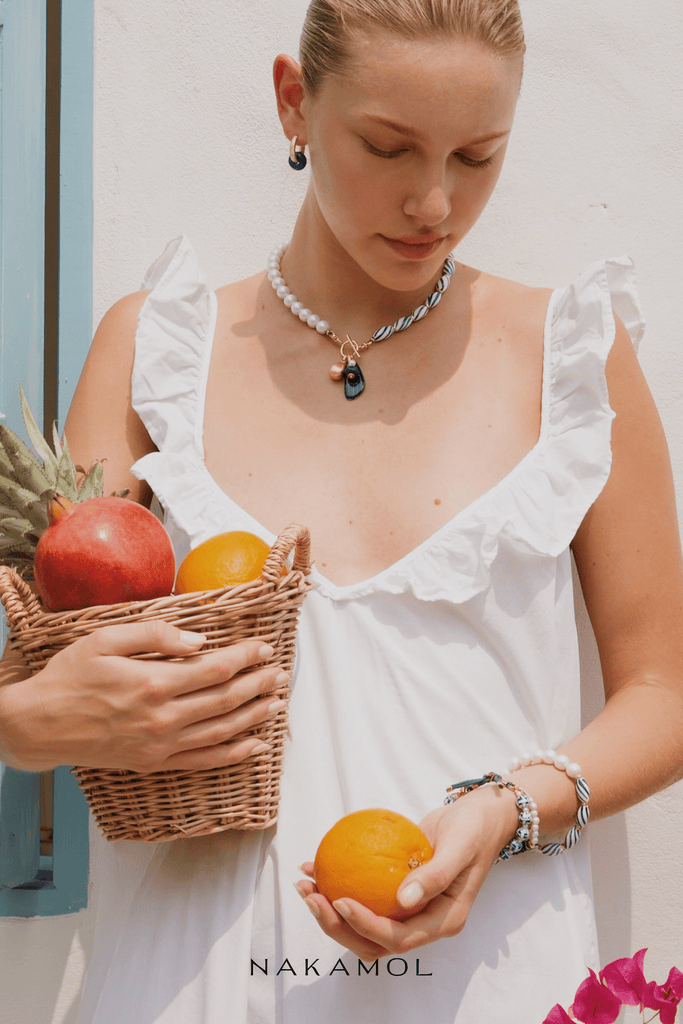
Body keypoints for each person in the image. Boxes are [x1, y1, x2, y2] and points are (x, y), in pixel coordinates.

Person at [2, 0, 683, 1021]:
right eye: (386, 146)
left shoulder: (571, 354)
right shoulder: (157, 353)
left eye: (476, 156)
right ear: (293, 103)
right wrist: (27, 723)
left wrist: (505, 809)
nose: (432, 201)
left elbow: (663, 691)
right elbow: (32, 653)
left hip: (487, 974)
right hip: (190, 981)